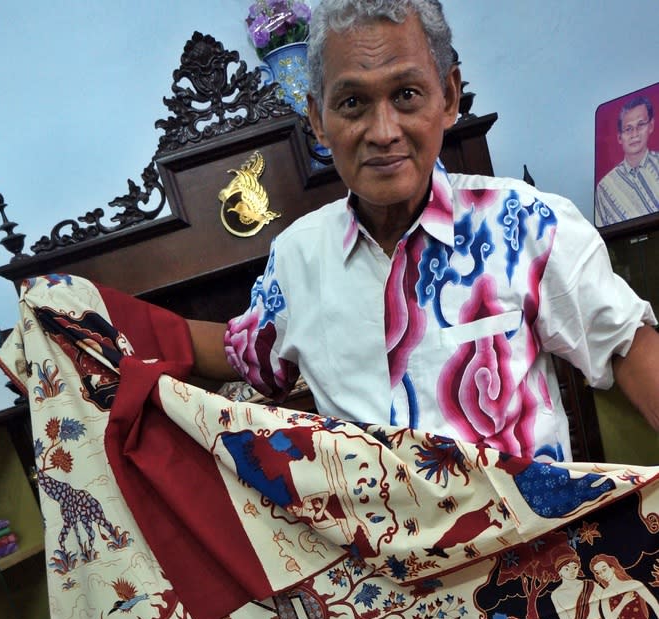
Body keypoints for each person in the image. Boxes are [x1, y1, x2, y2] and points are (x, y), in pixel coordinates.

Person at [186, 0, 659, 463]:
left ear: (448, 96)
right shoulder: (295, 260)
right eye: (352, 103)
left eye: (406, 95)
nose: (384, 131)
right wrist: (117, 328)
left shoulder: (528, 224)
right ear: (318, 120)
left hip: (530, 535)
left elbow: (626, 343)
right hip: (378, 540)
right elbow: (242, 352)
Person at [595, 94, 659, 227]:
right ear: (620, 137)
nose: (634, 134)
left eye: (641, 125)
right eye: (628, 129)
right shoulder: (605, 187)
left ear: (651, 126)